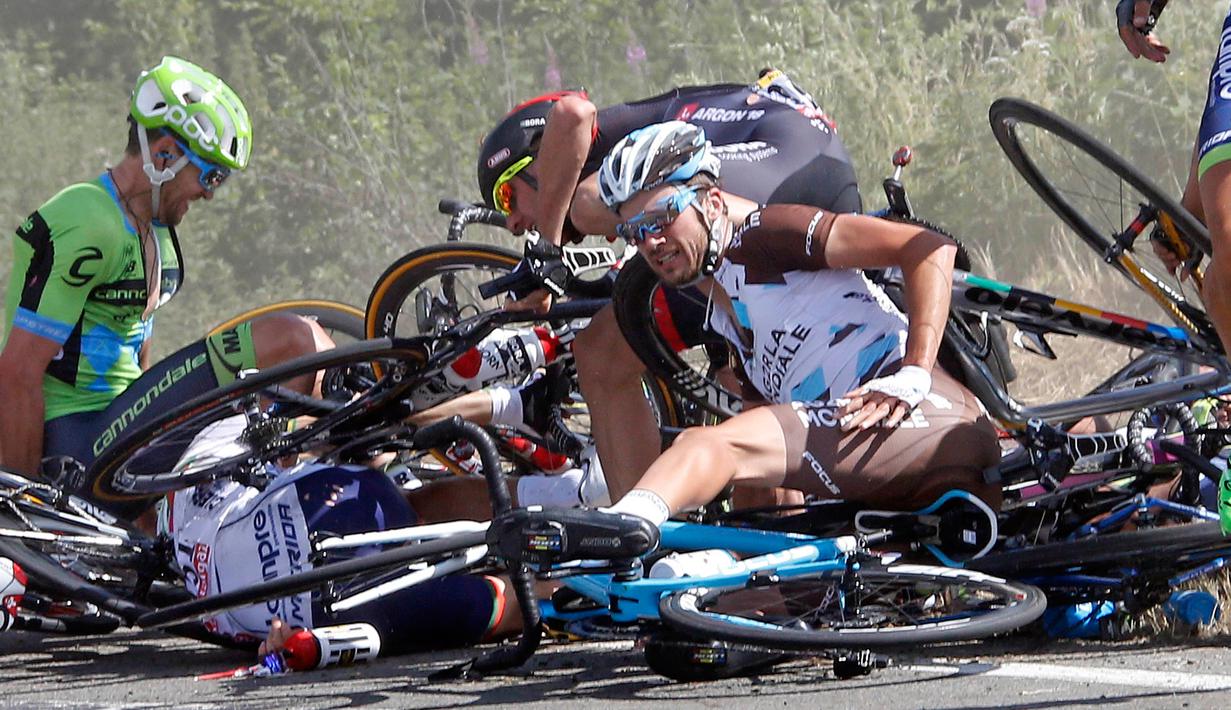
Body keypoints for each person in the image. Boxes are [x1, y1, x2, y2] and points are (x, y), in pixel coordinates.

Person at [587, 122, 1000, 531]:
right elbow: (760, 480)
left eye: (662, 217)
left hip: (927, 419)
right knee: (746, 595)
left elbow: (928, 247)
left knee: (701, 443)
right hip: (869, 460)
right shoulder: (732, 324)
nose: (650, 242)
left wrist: (914, 372)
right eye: (634, 231)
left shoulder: (763, 234)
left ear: (712, 204)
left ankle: (619, 528)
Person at [474, 71, 863, 499]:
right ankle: (776, 544)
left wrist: (545, 251)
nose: (511, 223)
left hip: (780, 162)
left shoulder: (602, 145)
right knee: (745, 398)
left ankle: (641, 535)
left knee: (599, 348)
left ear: (538, 157)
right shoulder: (642, 164)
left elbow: (572, 112)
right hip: (809, 164)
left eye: (506, 197)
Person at [0, 57, 329, 517]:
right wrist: (23, 515)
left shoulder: (157, 230)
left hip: (121, 432)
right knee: (293, 339)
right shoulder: (88, 219)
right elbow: (16, 373)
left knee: (319, 350)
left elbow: (140, 363)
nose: (211, 193)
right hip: (74, 449)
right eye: (211, 175)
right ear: (164, 156)